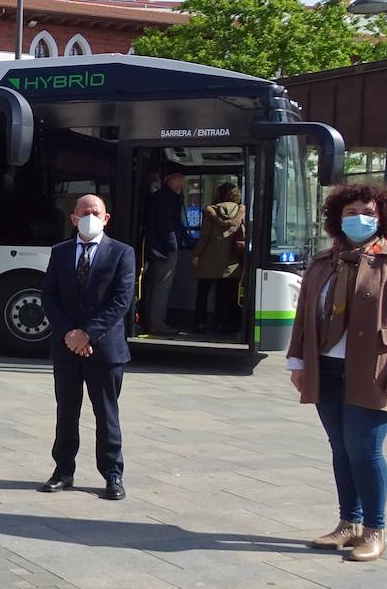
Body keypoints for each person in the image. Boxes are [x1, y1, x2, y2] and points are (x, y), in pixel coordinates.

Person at [286, 183, 387, 562]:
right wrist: (296, 360)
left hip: (376, 369)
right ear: (337, 219)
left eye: (367, 211)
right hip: (326, 367)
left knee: (365, 450)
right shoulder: (322, 263)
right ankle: (349, 523)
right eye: (350, 213)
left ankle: (376, 529)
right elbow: (304, 317)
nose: (358, 218)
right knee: (341, 449)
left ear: (381, 217)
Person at [38, 194, 135, 501]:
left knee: (106, 415)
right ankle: (63, 471)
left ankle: (112, 475)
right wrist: (69, 333)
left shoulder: (122, 253)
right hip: (66, 348)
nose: (90, 216)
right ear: (73, 218)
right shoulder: (60, 252)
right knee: (66, 412)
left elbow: (121, 300)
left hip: (105, 351)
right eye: (84, 212)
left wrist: (87, 335)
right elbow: (49, 296)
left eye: (96, 212)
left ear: (106, 218)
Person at [191, 183, 246, 334]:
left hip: (208, 259)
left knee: (203, 293)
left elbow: (204, 237)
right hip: (230, 260)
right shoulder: (241, 212)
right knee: (225, 295)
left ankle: (199, 323)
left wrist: (196, 255)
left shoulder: (211, 211)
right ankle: (222, 324)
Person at [143, 172, 187, 334]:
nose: (181, 186)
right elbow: (166, 227)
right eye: (180, 183)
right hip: (163, 251)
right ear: (171, 182)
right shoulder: (167, 199)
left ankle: (150, 320)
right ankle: (156, 323)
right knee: (162, 287)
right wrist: (173, 247)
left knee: (153, 286)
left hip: (157, 248)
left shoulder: (159, 196)